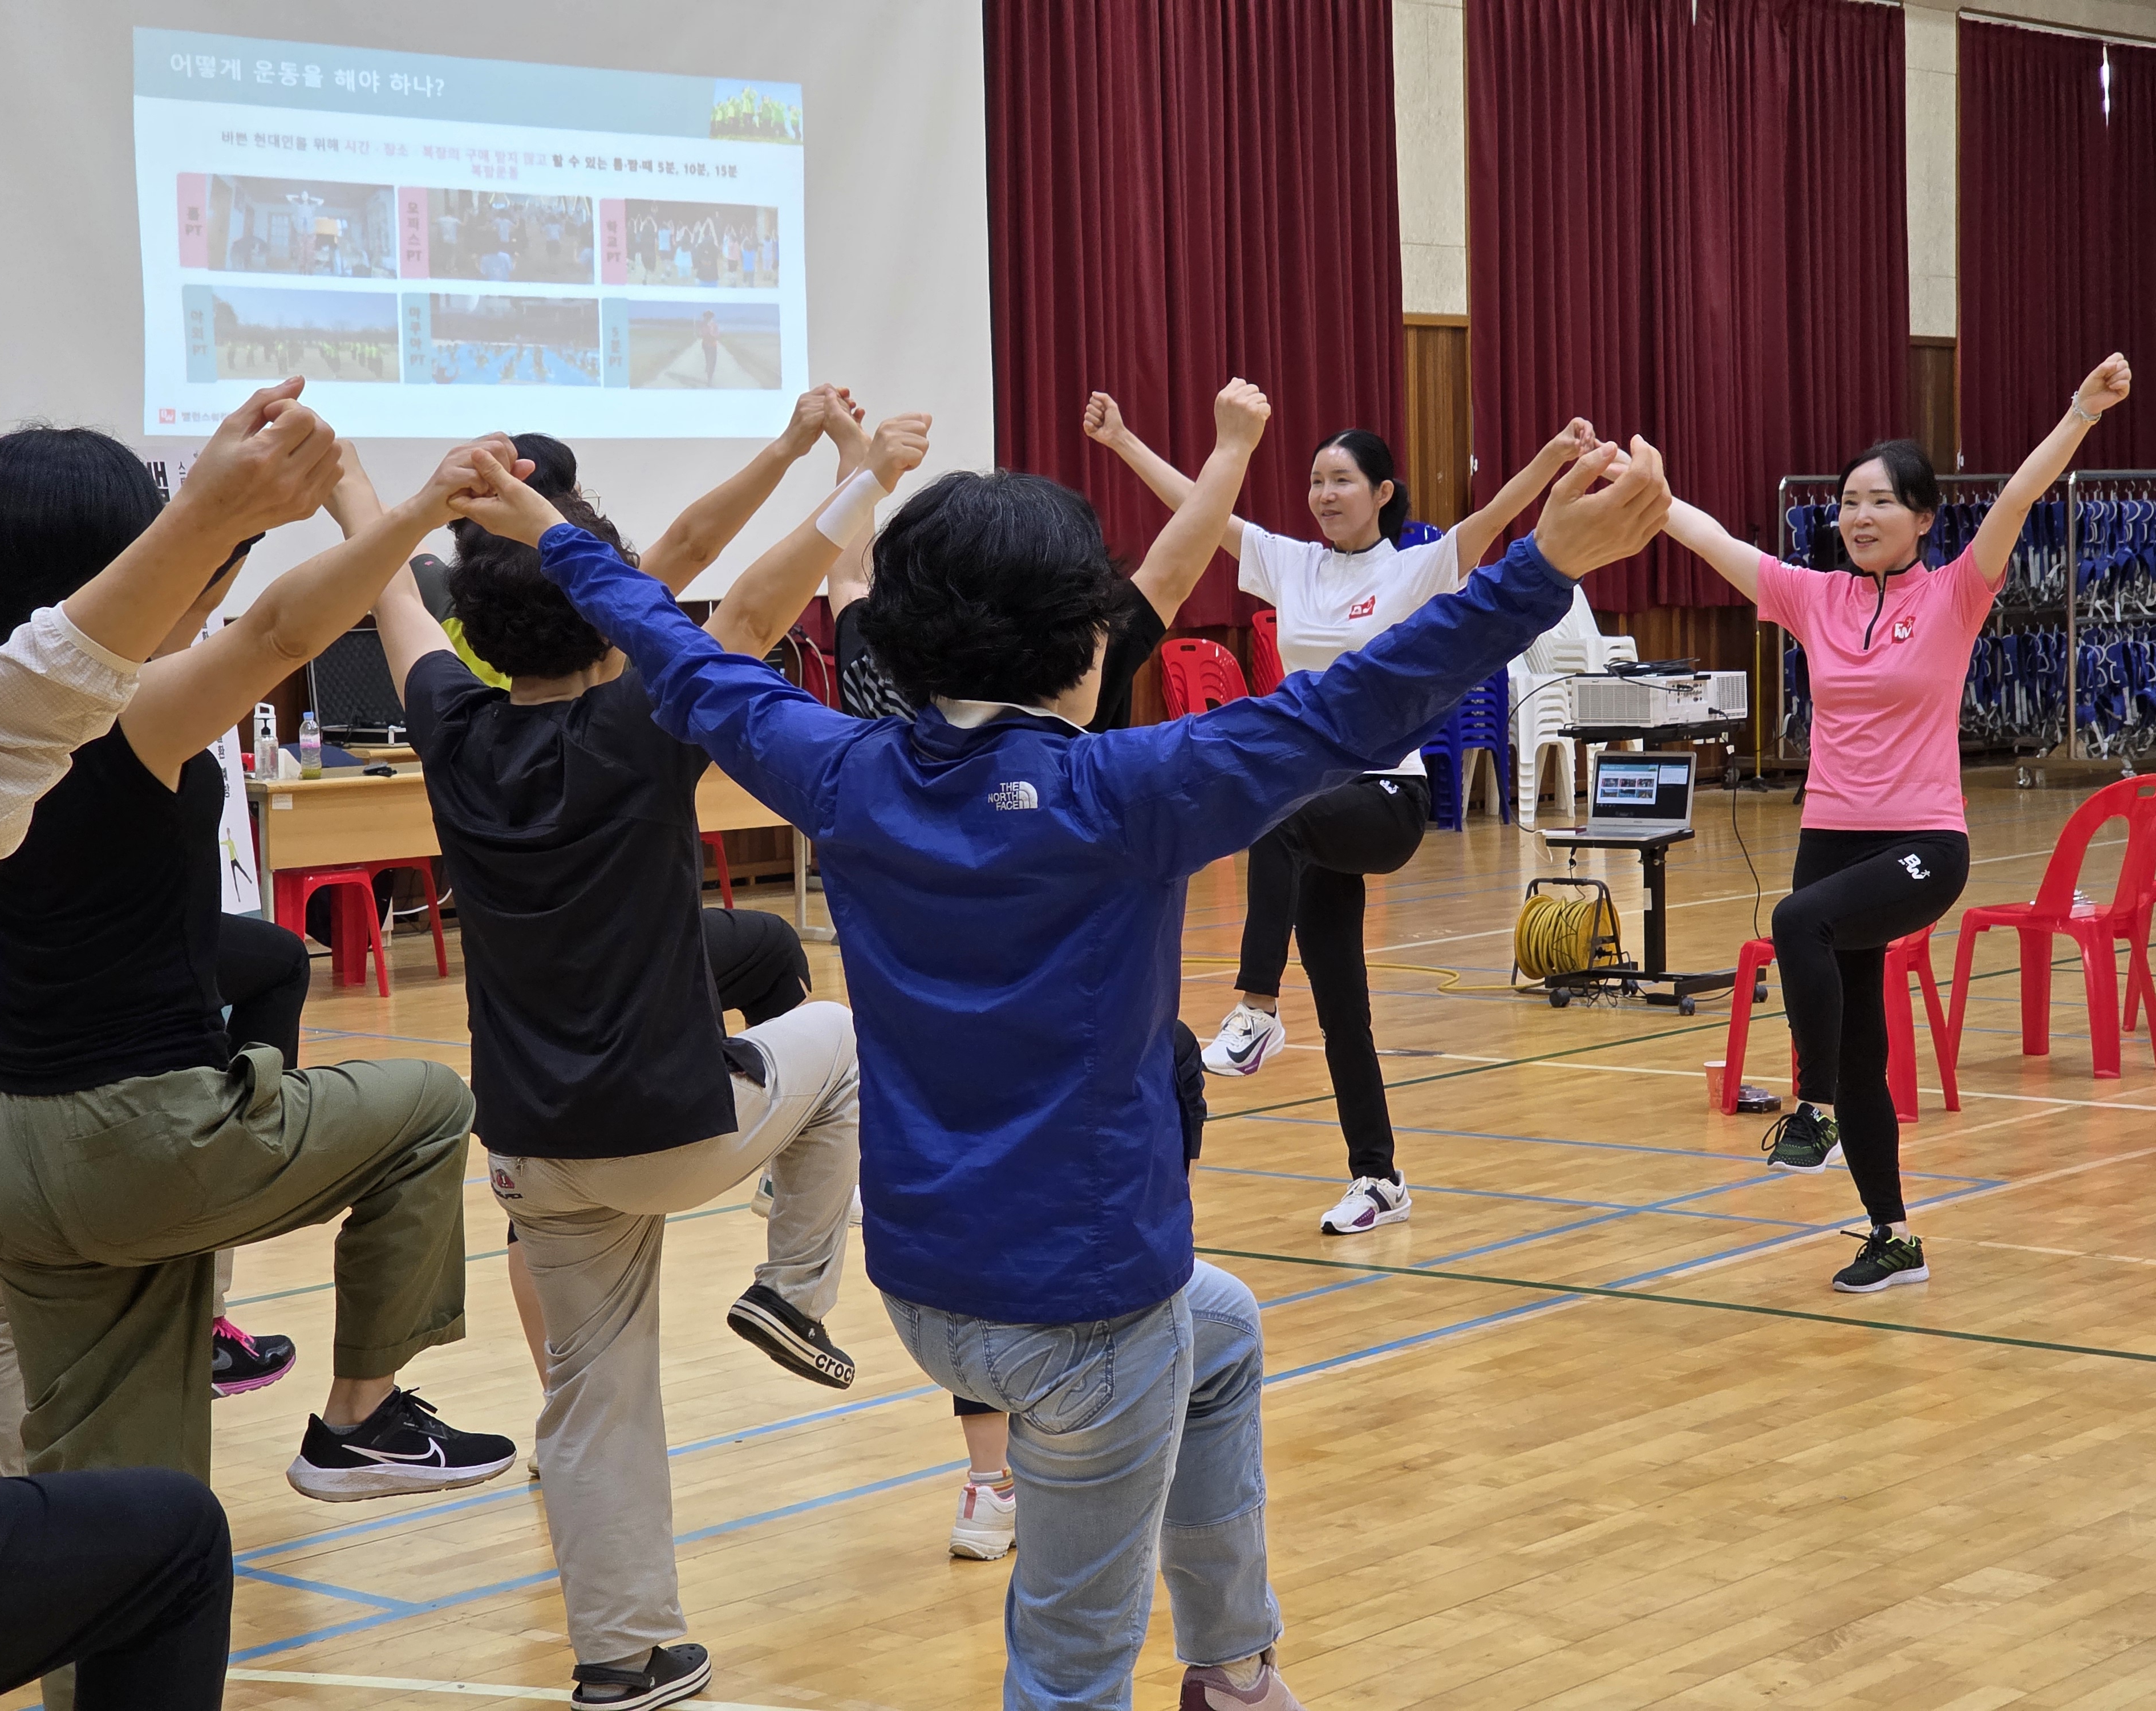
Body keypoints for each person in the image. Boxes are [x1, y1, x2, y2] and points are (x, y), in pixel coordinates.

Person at [453, 378, 1669, 1710]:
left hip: (925, 1293)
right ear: (1088, 646)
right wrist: (1545, 566)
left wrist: (550, 533)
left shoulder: (839, 770)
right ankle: (1197, 1674)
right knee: (1070, 1668)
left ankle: (1232, 1666)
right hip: (1084, 1305)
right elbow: (1353, 710)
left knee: (1225, 1328)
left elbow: (677, 651)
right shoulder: (1127, 792)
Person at [373, 391, 926, 1711]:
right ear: (613, 604)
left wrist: (369, 492)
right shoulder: (642, 722)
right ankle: (793, 1289)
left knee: (590, 1399)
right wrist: (863, 481)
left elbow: (390, 593)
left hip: (531, 1157)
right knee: (842, 1034)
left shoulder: (448, 727)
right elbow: (752, 607)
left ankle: (623, 1656)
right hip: (674, 1134)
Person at [0, 398, 520, 1505]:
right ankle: (361, 1418)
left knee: (123, 1509)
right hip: (142, 1133)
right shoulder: (123, 713)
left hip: (21, 1142)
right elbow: (277, 634)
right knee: (433, 1107)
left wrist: (222, 510)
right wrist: (418, 507)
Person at [0, 382, 362, 1710]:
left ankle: (17, 1511)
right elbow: (250, 629)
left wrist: (217, 520)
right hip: (37, 1058)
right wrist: (263, 511)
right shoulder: (73, 721)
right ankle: (336, 1415)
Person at [825, 403, 1217, 1563]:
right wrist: (1232, 452)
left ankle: (986, 1479)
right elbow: (1173, 564)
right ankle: (1054, 1439)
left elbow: (843, 569)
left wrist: (858, 471)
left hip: (931, 1163)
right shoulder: (1094, 740)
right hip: (1065, 1151)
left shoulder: (860, 713)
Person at [1657, 352, 2133, 1294]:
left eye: (1878, 502)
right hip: (1831, 834)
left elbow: (2023, 496)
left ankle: (1816, 1110)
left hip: (1923, 845)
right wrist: (1654, 495)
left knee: (1798, 923)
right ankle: (1895, 1235)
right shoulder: (1814, 596)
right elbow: (1715, 542)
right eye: (1847, 503)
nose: (1859, 517)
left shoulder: (1956, 592)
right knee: (1868, 1041)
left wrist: (2081, 411)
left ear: (1922, 517)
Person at [1085, 394, 1601, 1235]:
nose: (1325, 495)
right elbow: (1199, 508)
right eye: (1317, 481)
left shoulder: (1416, 566)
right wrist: (1122, 442)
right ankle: (1381, 1178)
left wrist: (1552, 461)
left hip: (1384, 797)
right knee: (1345, 1008)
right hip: (1312, 803)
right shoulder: (1291, 563)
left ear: (1383, 492)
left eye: (1343, 481)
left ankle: (1254, 1007)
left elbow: (1497, 516)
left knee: (1277, 812)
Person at [0, 518, 306, 1467]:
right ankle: (151, 1460)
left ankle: (4, 1516)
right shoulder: (56, 693)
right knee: (147, 1262)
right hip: (29, 1035)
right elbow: (248, 627)